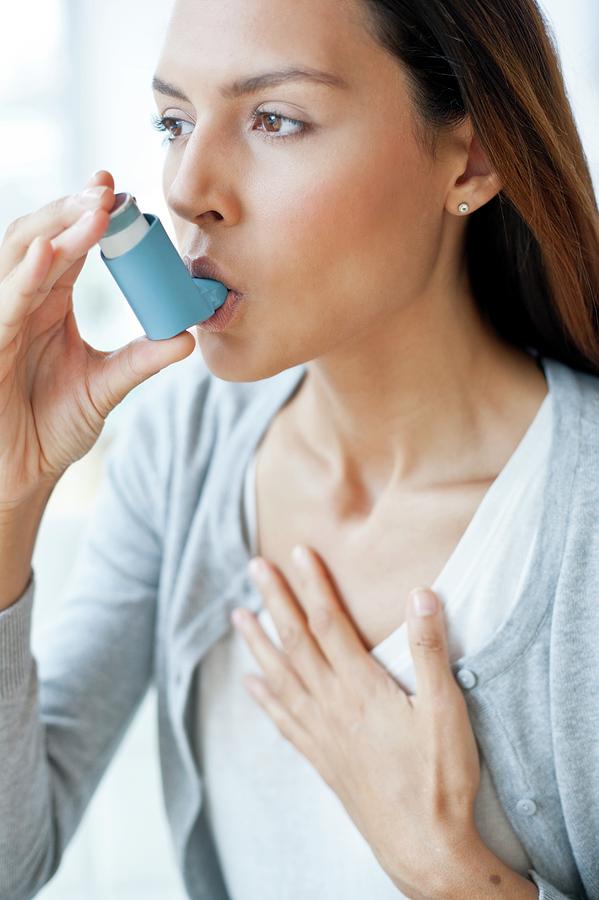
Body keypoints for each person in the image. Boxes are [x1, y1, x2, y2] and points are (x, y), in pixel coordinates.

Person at [0, 0, 598, 898]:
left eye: (274, 118)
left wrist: (451, 871)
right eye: (174, 121)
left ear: (470, 159)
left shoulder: (577, 524)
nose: (185, 185)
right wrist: (10, 498)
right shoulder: (180, 451)